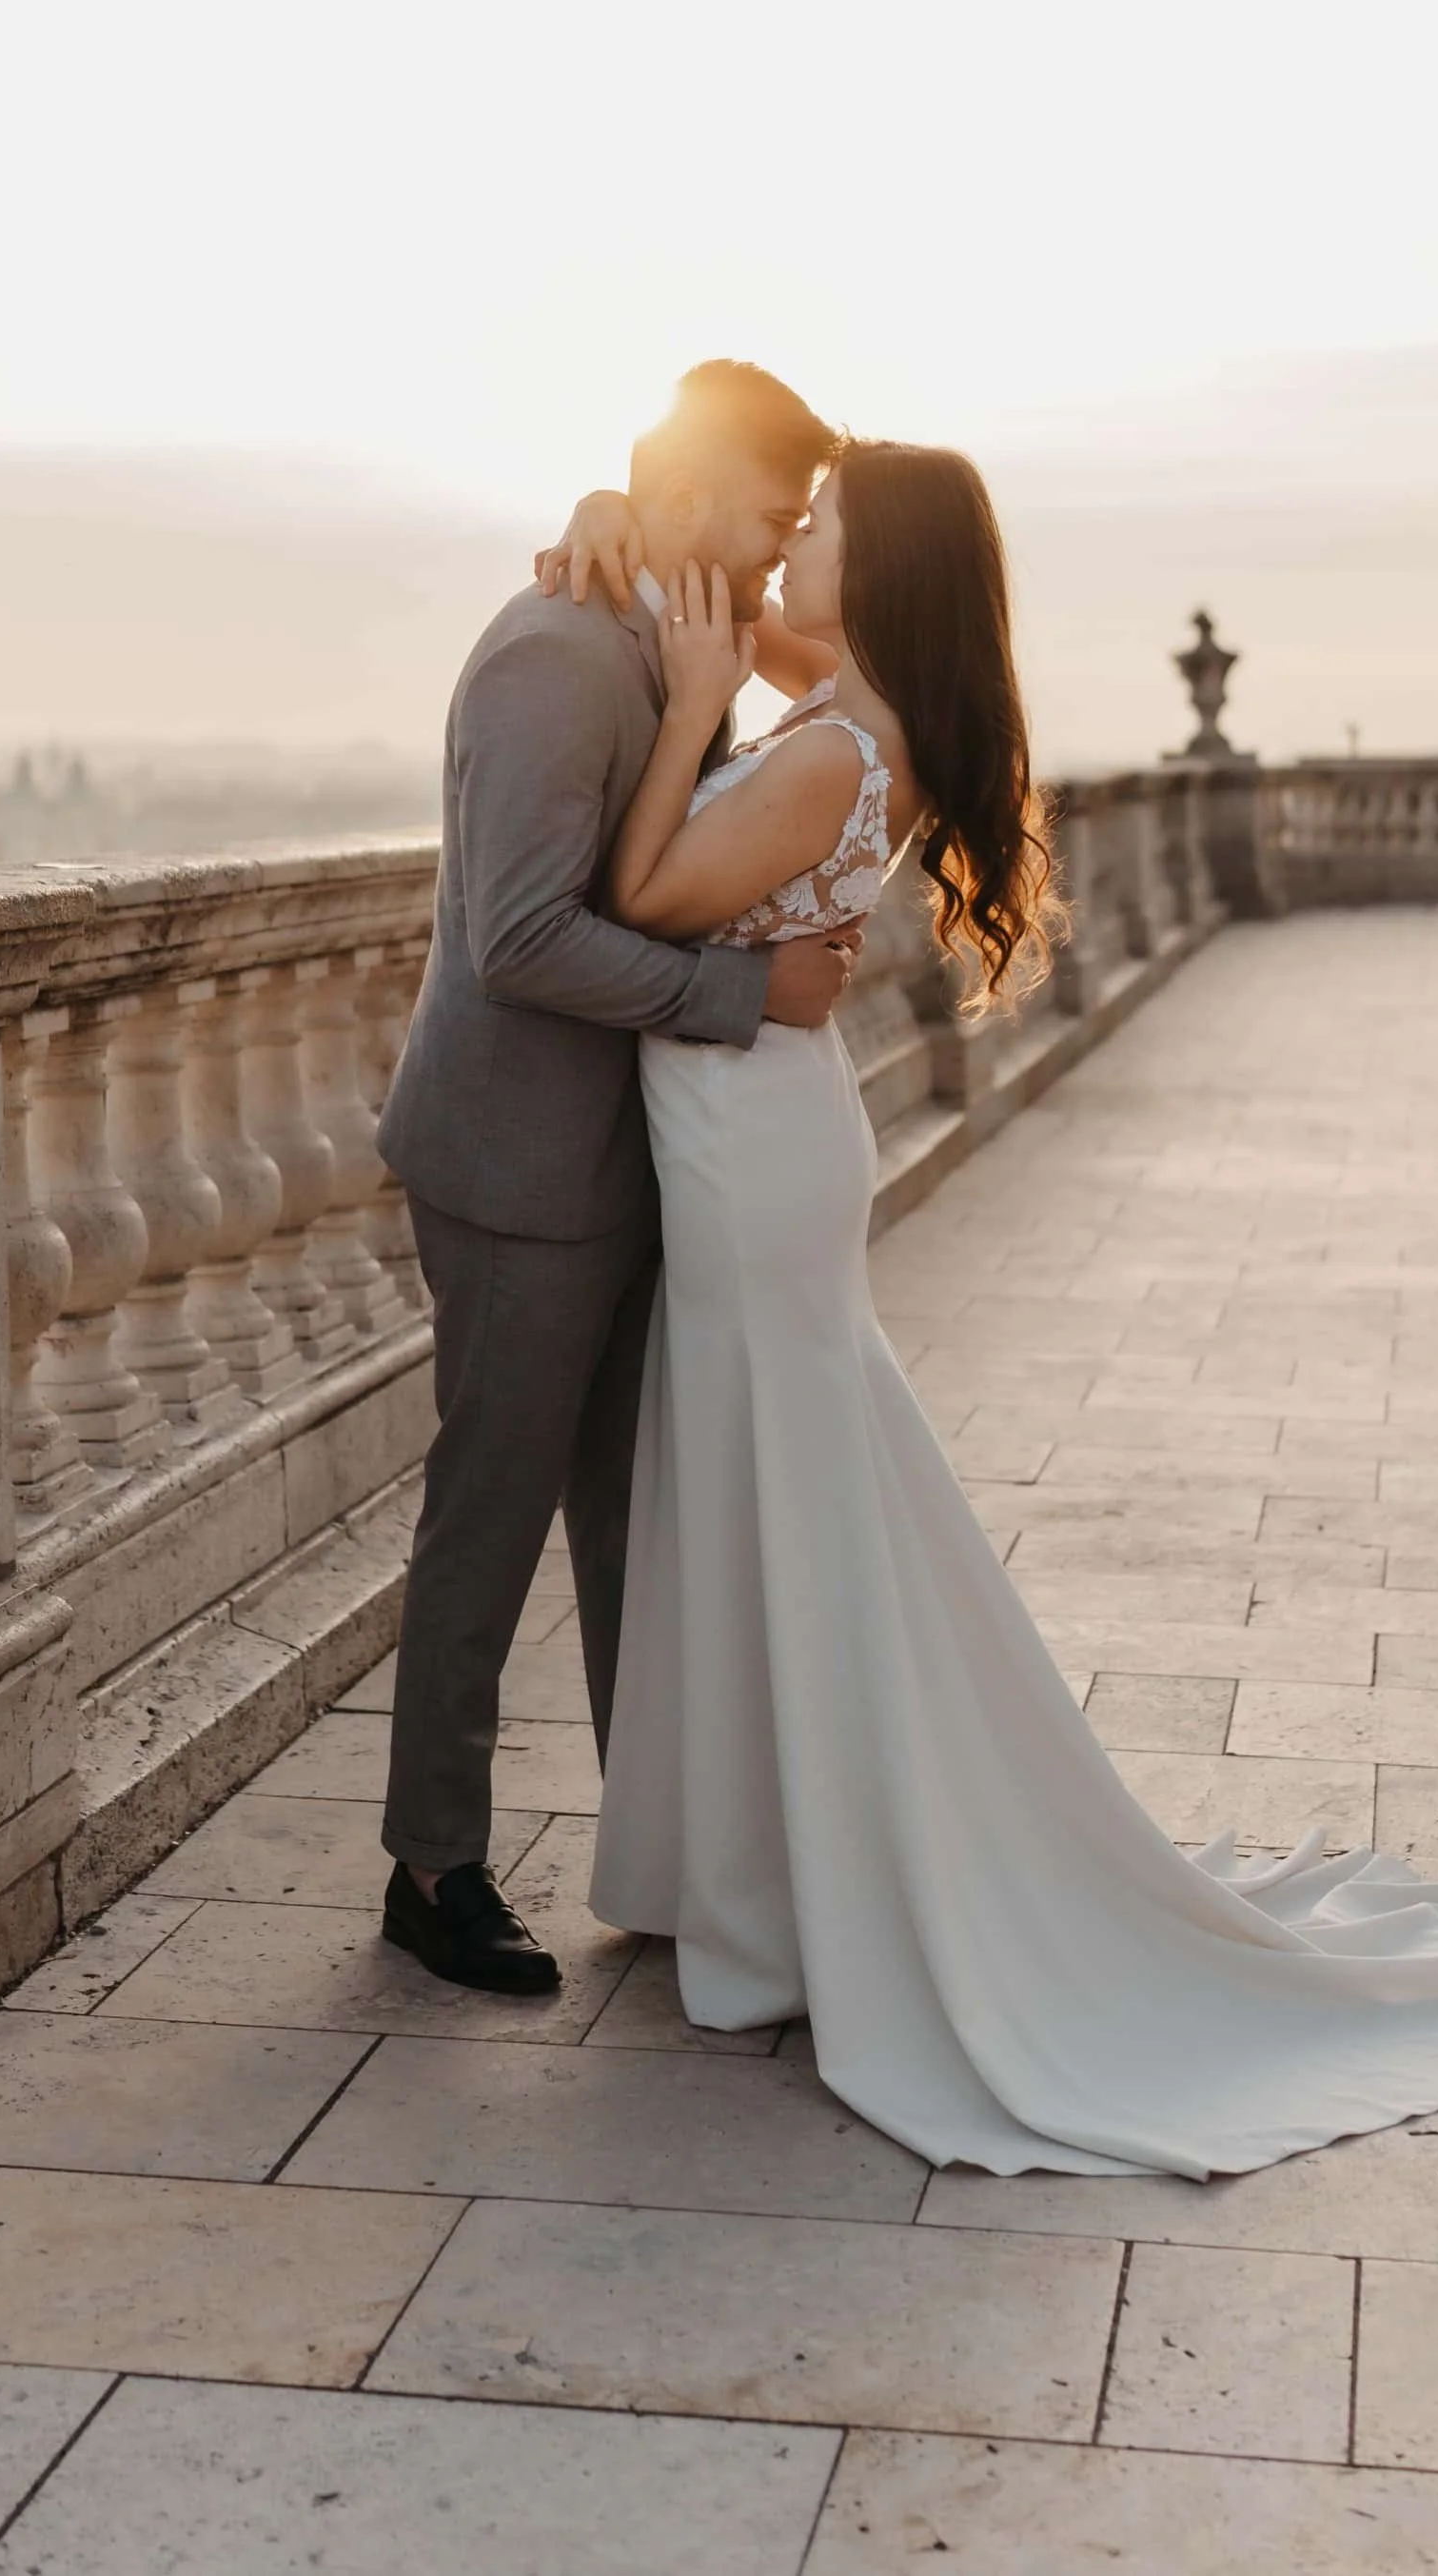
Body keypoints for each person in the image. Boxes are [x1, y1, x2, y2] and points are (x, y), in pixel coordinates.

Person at [535, 440, 1438, 2178]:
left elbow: (640, 896)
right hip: (755, 1138)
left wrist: (680, 707)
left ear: (876, 570)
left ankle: (789, 1899)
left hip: (753, 1158)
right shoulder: (843, 706)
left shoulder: (830, 749)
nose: (787, 547)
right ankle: (747, 1885)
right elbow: (722, 613)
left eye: (816, 529)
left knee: (789, 1496)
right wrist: (616, 527)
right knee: (766, 1484)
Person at [373, 361, 861, 1995]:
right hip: (519, 1166)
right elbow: (517, 939)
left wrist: (628, 526)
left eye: (807, 527)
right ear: (683, 489)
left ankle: (660, 1851)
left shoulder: (671, 616)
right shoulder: (554, 657)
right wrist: (745, 999)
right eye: (774, 515)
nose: (790, 549)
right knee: (492, 1521)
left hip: (643, 1160)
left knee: (631, 1529)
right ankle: (432, 1868)